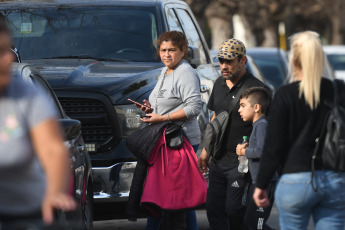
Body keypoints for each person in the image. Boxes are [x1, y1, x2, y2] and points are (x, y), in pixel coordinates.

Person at [253, 31, 345, 230]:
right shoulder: (337, 90)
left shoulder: (285, 95)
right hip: (334, 179)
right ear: (320, 58)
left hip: (295, 180)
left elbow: (274, 145)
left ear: (293, 61)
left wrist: (261, 184)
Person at [0, 14, 76, 225]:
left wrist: (54, 192)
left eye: (8, 50)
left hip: (22, 212)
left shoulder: (27, 94)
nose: (8, 59)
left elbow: (52, 149)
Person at [128, 31, 202, 230]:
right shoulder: (165, 71)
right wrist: (151, 109)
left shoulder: (185, 72)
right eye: (163, 50)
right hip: (163, 142)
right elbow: (166, 103)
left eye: (172, 50)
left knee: (177, 198)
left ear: (183, 51)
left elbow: (194, 107)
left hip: (181, 143)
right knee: (166, 195)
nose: (167, 55)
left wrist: (163, 117)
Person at [198, 38, 267, 230]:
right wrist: (206, 149)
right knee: (213, 210)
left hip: (240, 164)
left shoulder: (257, 89)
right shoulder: (219, 83)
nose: (224, 66)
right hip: (218, 160)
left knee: (234, 211)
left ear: (242, 61)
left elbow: (265, 126)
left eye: (229, 61)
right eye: (221, 61)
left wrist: (250, 149)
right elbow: (214, 118)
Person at [236, 87, 277, 230]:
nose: (239, 110)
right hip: (257, 182)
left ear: (257, 107)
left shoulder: (262, 125)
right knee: (249, 221)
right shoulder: (257, 125)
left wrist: (244, 152)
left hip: (265, 183)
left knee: (256, 224)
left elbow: (262, 151)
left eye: (243, 106)